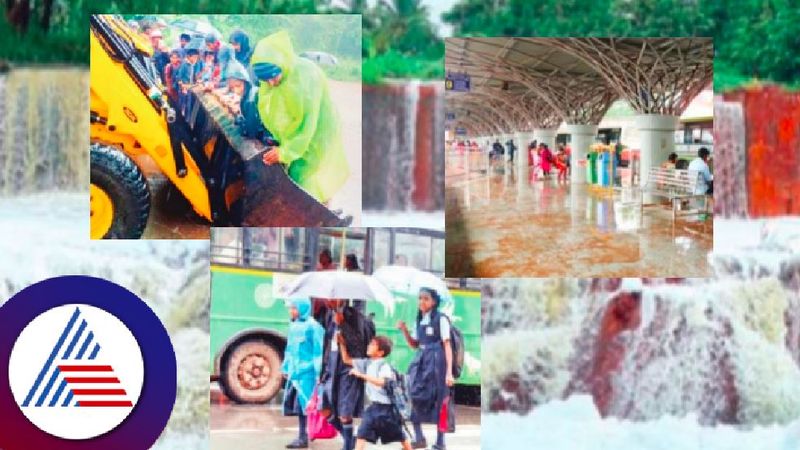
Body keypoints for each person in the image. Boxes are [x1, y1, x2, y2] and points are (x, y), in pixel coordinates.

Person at [252, 30, 349, 204]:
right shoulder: (272, 77)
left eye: (274, 77)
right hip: (298, 138)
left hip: (317, 134)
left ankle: (319, 215)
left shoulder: (307, 77)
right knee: (297, 177)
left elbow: (307, 124)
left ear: (282, 65)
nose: (271, 83)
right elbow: (271, 108)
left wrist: (286, 152)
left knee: (305, 175)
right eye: (266, 80)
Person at [397, 288, 455, 450]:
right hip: (421, 361)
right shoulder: (419, 320)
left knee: (439, 400)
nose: (422, 302)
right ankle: (419, 437)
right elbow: (415, 345)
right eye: (420, 298)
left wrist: (449, 372)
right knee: (412, 395)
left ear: (434, 302)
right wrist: (404, 330)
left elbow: (447, 345)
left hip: (437, 363)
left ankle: (440, 442)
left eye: (426, 299)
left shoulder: (441, 319)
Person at [339, 335, 414, 450]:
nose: (369, 346)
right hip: (373, 407)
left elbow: (382, 382)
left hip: (387, 410)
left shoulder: (384, 366)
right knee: (361, 433)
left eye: (373, 344)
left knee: (400, 436)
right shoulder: (367, 363)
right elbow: (346, 360)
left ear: (380, 353)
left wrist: (361, 375)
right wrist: (342, 344)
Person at [321, 299, 375, 450]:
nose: (328, 300)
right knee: (324, 408)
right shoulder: (329, 315)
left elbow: (358, 344)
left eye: (332, 298)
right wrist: (323, 369)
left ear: (341, 298)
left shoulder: (353, 315)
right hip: (331, 367)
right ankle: (351, 440)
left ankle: (347, 446)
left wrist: (343, 324)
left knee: (345, 414)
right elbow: (327, 344)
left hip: (348, 369)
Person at [282, 298, 325, 449]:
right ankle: (302, 436)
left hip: (308, 374)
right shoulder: (293, 326)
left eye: (294, 308)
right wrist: (286, 368)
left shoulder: (314, 327)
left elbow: (318, 351)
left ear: (303, 308)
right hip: (295, 373)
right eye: (291, 308)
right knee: (300, 407)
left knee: (310, 407)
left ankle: (308, 435)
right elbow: (289, 349)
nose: (291, 311)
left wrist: (319, 373)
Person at [224, 61, 276, 147]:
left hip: (267, 138)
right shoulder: (253, 90)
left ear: (246, 81)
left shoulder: (250, 101)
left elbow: (251, 131)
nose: (236, 91)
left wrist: (239, 121)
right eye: (232, 88)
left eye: (238, 86)